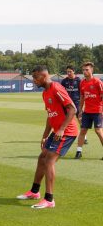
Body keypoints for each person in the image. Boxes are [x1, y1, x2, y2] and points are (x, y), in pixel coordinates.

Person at [16, 66, 78, 209]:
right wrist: (44, 136)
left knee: (49, 160)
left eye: (36, 77)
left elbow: (72, 109)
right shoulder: (45, 93)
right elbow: (50, 115)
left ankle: (49, 199)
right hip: (56, 131)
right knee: (41, 157)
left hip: (67, 131)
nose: (34, 81)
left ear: (44, 76)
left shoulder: (56, 88)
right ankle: (34, 192)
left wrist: (62, 129)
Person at [74, 62, 103, 159]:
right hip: (87, 111)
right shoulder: (82, 82)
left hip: (97, 111)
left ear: (92, 70)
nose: (84, 71)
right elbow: (82, 96)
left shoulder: (97, 82)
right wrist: (80, 110)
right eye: (83, 70)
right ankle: (79, 152)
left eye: (87, 69)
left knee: (98, 131)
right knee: (82, 130)